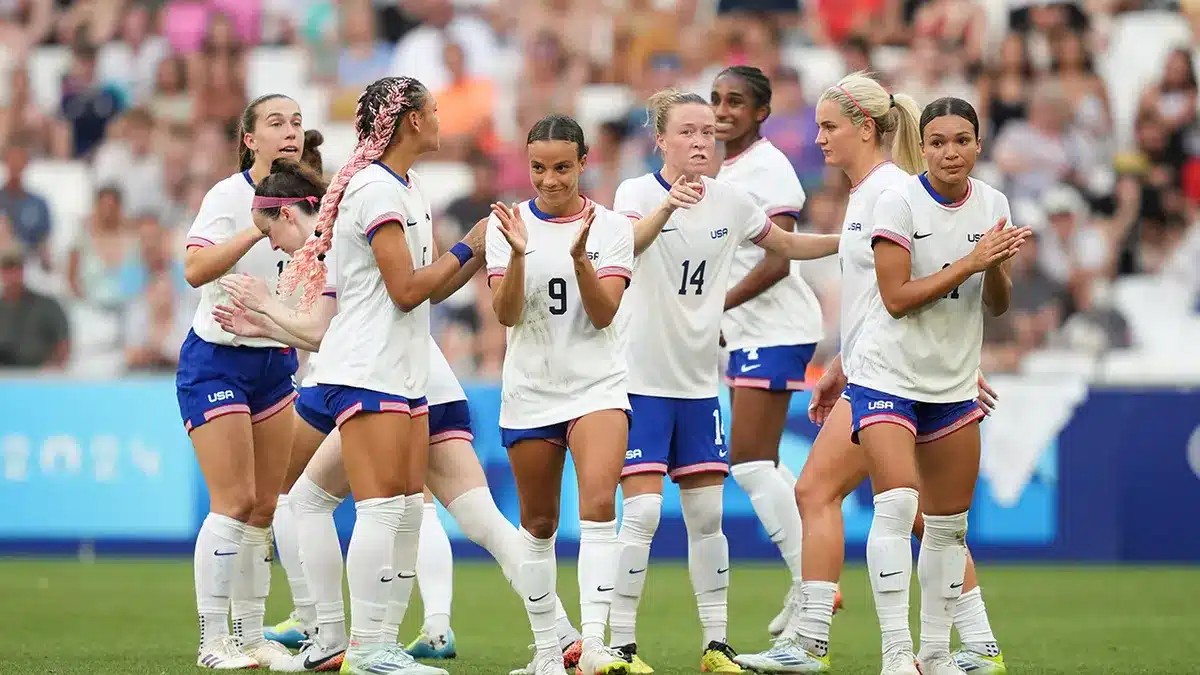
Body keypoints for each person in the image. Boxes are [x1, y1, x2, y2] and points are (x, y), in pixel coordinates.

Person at [215, 220, 586, 674]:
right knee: (477, 519)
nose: (273, 242)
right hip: (430, 376)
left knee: (308, 500)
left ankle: (332, 635)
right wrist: (267, 323)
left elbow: (334, 334)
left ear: (298, 214)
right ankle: (562, 633)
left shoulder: (340, 243)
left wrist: (267, 312)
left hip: (382, 380)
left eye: (273, 226)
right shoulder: (372, 231)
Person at [734, 75, 1009, 675]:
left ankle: (814, 644)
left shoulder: (890, 191)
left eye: (829, 126)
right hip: (876, 369)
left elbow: (921, 287)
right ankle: (977, 643)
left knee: (828, 494)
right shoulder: (868, 193)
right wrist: (839, 364)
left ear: (865, 126)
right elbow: (867, 298)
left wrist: (956, 364)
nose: (819, 137)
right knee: (911, 515)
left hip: (896, 379)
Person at [608, 89, 841, 675]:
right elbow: (624, 248)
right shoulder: (635, 195)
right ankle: (622, 646)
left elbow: (784, 247)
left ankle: (716, 645)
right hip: (640, 383)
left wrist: (853, 238)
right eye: (687, 131)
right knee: (640, 517)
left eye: (708, 132)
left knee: (707, 518)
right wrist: (669, 208)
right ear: (659, 139)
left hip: (696, 387)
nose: (700, 142)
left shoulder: (733, 201)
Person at [277, 75, 484, 675]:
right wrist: (470, 247)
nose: (443, 120)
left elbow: (426, 289)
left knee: (331, 501)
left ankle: (336, 641)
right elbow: (406, 290)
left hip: (391, 368)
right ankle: (368, 649)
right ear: (412, 120)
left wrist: (475, 255)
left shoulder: (404, 185)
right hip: (370, 369)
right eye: (435, 110)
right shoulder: (377, 190)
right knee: (383, 507)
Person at [853, 97, 1026, 675]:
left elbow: (997, 307)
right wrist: (973, 261)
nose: (950, 151)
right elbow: (896, 300)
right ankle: (896, 655)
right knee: (898, 504)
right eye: (938, 141)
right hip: (887, 374)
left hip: (951, 383)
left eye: (962, 140)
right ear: (921, 147)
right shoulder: (896, 201)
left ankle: (934, 653)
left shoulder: (994, 202)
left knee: (950, 527)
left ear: (978, 144)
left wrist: (997, 265)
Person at [485, 113, 634, 675]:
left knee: (598, 507)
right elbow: (505, 314)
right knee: (539, 525)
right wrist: (521, 254)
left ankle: (594, 642)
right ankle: (549, 649)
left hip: (597, 386)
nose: (550, 180)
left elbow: (603, 314)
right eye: (539, 168)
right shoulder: (507, 225)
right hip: (530, 389)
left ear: (583, 163)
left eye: (562, 168)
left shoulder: (611, 227)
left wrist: (578, 260)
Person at [176, 92, 319, 670]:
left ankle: (252, 635)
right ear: (249, 139)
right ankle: (214, 642)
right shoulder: (228, 197)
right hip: (216, 359)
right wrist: (259, 230)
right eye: (276, 123)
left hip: (275, 361)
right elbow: (193, 269)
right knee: (232, 501)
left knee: (264, 506)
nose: (289, 131)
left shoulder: (315, 200)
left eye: (297, 123)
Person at [710, 65, 823, 636]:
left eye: (736, 101)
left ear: (760, 113)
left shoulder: (768, 166)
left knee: (751, 463)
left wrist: (715, 307)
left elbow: (779, 259)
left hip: (776, 327)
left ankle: (812, 586)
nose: (722, 110)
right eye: (715, 100)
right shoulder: (710, 169)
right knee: (762, 463)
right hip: (746, 331)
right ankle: (809, 582)